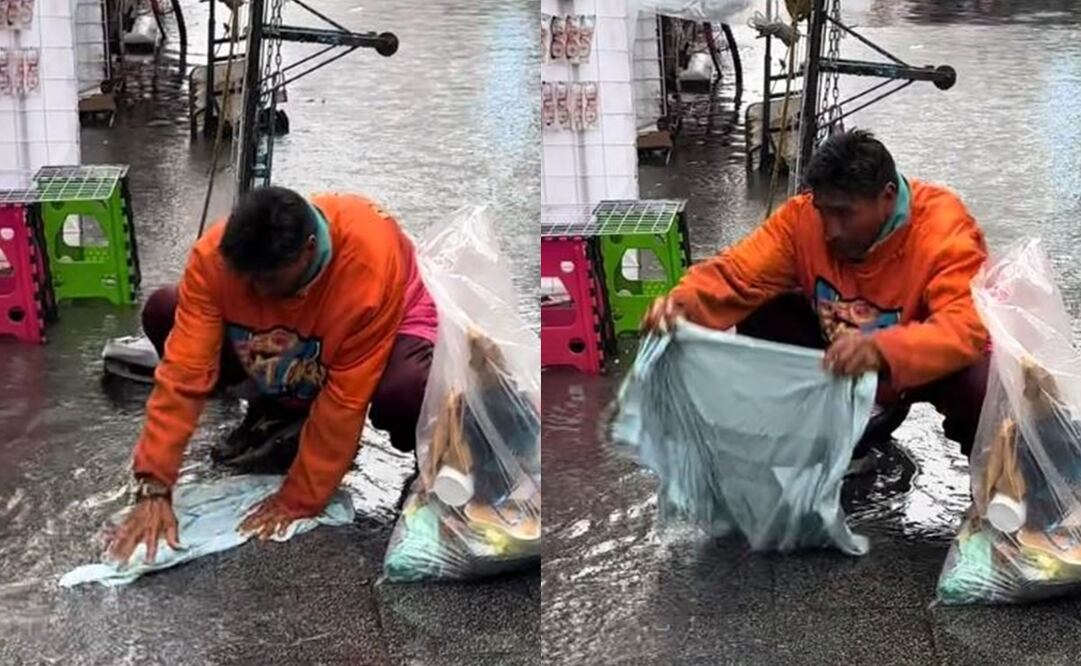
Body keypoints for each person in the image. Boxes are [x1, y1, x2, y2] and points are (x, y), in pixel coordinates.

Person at [107, 186, 438, 562]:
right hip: (295, 341)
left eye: (268, 284)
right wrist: (155, 484)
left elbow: (345, 400)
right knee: (165, 309)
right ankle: (279, 409)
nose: (255, 296)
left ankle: (434, 463)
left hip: (385, 329)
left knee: (407, 390)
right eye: (247, 284)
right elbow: (184, 372)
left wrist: (299, 498)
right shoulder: (215, 259)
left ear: (310, 249)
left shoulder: (368, 266)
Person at [643, 129, 990, 460]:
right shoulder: (802, 218)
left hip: (912, 371)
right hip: (836, 364)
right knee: (762, 305)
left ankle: (991, 494)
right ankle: (814, 428)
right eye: (824, 212)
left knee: (986, 382)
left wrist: (883, 350)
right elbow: (736, 273)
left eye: (844, 214)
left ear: (887, 197)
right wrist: (680, 306)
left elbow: (964, 328)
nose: (830, 231)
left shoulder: (944, 229)